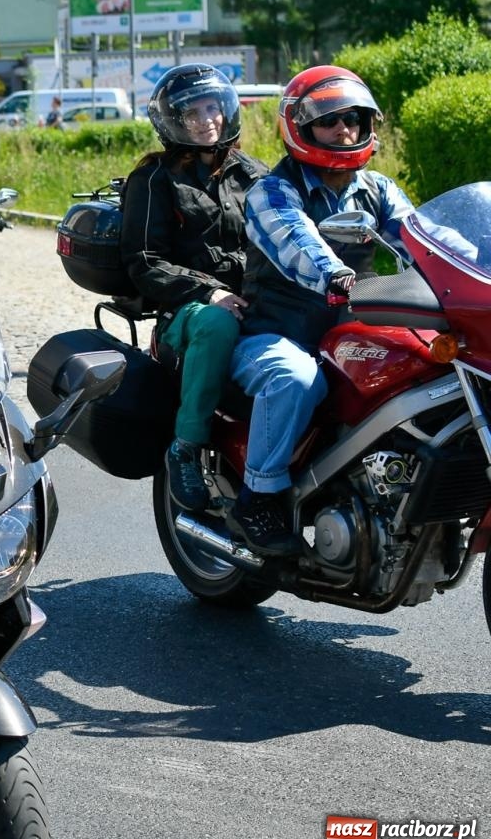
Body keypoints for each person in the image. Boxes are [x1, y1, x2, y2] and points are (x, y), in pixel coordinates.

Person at [228, 65, 414, 556]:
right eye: (330, 120)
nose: (344, 130)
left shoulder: (378, 189)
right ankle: (258, 497)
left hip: (347, 336)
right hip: (276, 335)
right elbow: (296, 239)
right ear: (301, 126)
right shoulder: (273, 190)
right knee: (296, 378)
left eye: (353, 118)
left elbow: (425, 238)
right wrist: (335, 275)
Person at [120, 64, 266, 512]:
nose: (207, 119)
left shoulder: (255, 174)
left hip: (256, 299)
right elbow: (144, 262)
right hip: (185, 314)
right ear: (174, 121)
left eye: (213, 108)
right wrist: (209, 292)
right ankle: (186, 445)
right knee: (218, 324)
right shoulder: (153, 180)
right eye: (193, 112)